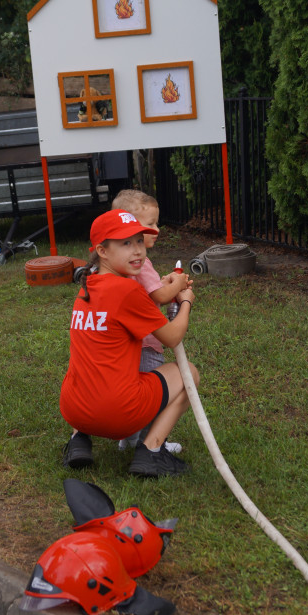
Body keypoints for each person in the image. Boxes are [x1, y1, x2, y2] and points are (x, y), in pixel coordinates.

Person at [60, 209, 198, 477]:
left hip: (74, 408)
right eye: (125, 243)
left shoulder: (86, 286)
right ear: (102, 250)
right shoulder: (128, 290)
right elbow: (172, 337)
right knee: (189, 373)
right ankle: (151, 452)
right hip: (116, 415)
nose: (137, 251)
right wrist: (186, 303)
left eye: (138, 241)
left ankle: (79, 440)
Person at [109, 189, 191, 453]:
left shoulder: (123, 262)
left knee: (133, 389)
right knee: (150, 394)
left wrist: (164, 284)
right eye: (150, 224)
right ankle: (150, 442)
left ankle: (128, 438)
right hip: (146, 341)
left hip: (129, 342)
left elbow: (151, 290)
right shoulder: (141, 263)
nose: (157, 229)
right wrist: (178, 285)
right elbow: (161, 295)